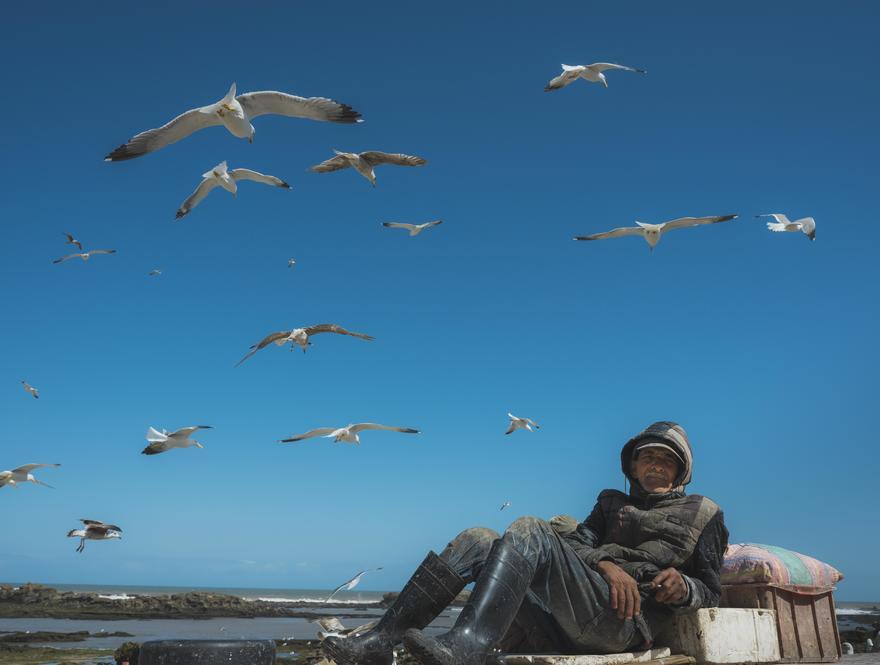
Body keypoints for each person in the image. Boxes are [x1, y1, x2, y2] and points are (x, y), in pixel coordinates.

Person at [324, 421, 729, 665]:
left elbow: (711, 591)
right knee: (477, 539)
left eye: (667, 460)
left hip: (622, 622)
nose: (656, 465)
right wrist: (607, 566)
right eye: (648, 458)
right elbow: (579, 548)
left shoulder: (703, 512)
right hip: (568, 615)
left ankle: (468, 648)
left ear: (681, 471)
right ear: (633, 466)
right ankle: (380, 642)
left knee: (532, 527)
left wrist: (685, 588)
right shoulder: (610, 502)